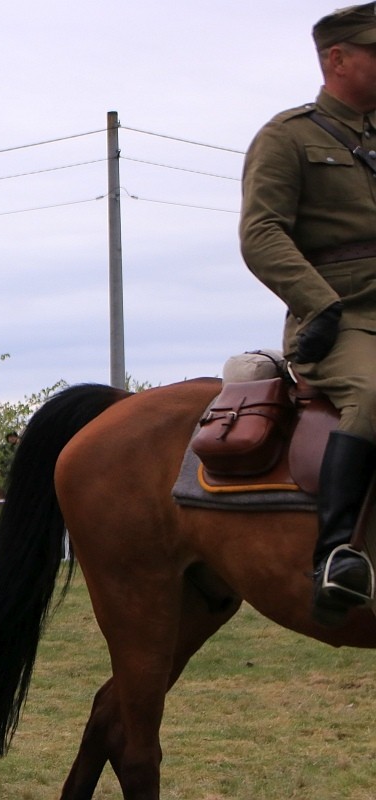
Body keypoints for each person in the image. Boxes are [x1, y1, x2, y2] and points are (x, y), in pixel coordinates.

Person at [240, 3, 376, 626]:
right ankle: (337, 556)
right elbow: (262, 233)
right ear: (337, 59)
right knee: (374, 395)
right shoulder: (288, 136)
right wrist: (317, 302)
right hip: (342, 319)